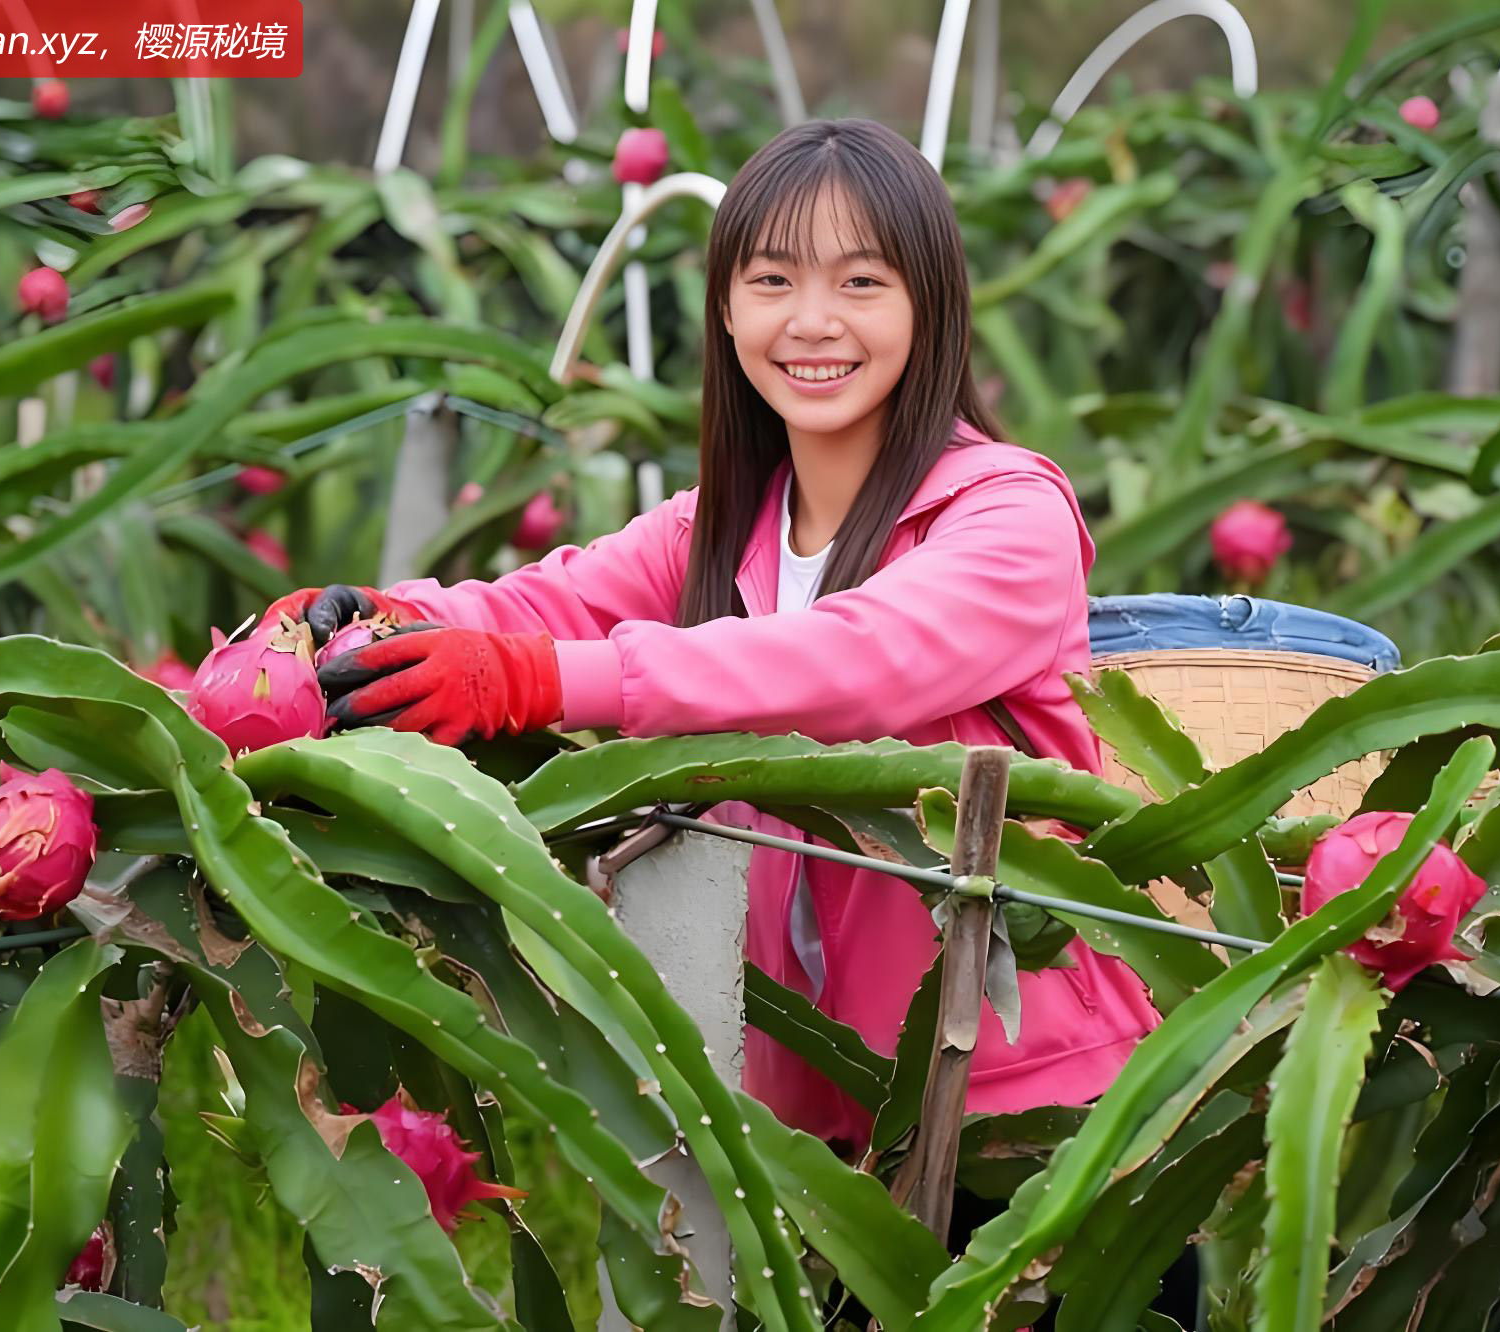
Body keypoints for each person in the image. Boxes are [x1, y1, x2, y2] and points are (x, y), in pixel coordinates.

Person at [260, 118, 1160, 1164]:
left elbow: (844, 663)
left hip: (1037, 1114)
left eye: (860, 283)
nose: (811, 322)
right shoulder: (720, 528)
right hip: (812, 1131)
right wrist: (373, 614)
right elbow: (541, 602)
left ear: (931, 307)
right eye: (772, 281)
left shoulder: (1008, 519)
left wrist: (529, 682)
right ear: (726, 312)